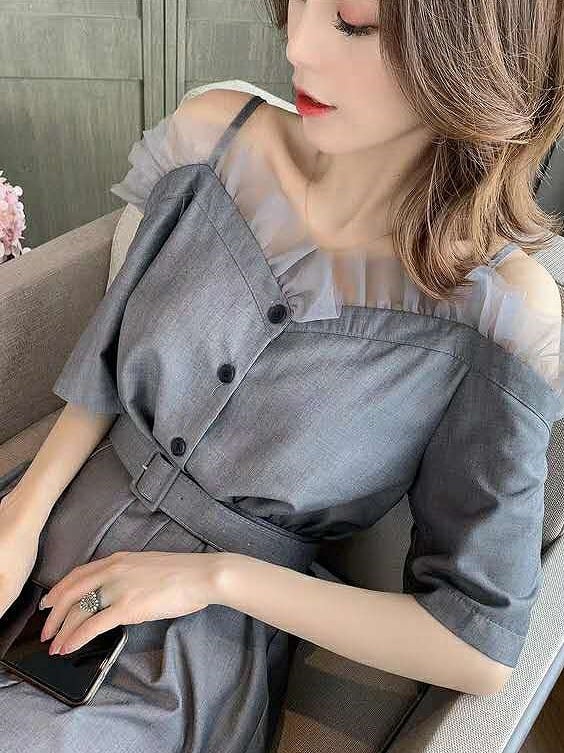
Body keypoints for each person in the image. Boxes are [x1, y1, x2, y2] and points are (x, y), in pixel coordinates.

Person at [1, 1, 564, 751]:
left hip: (176, 657)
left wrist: (216, 579)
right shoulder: (214, 138)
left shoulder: (500, 313)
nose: (297, 46)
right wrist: (21, 517)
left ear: (471, 49)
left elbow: (477, 645)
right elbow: (105, 361)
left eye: (353, 23)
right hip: (48, 517)